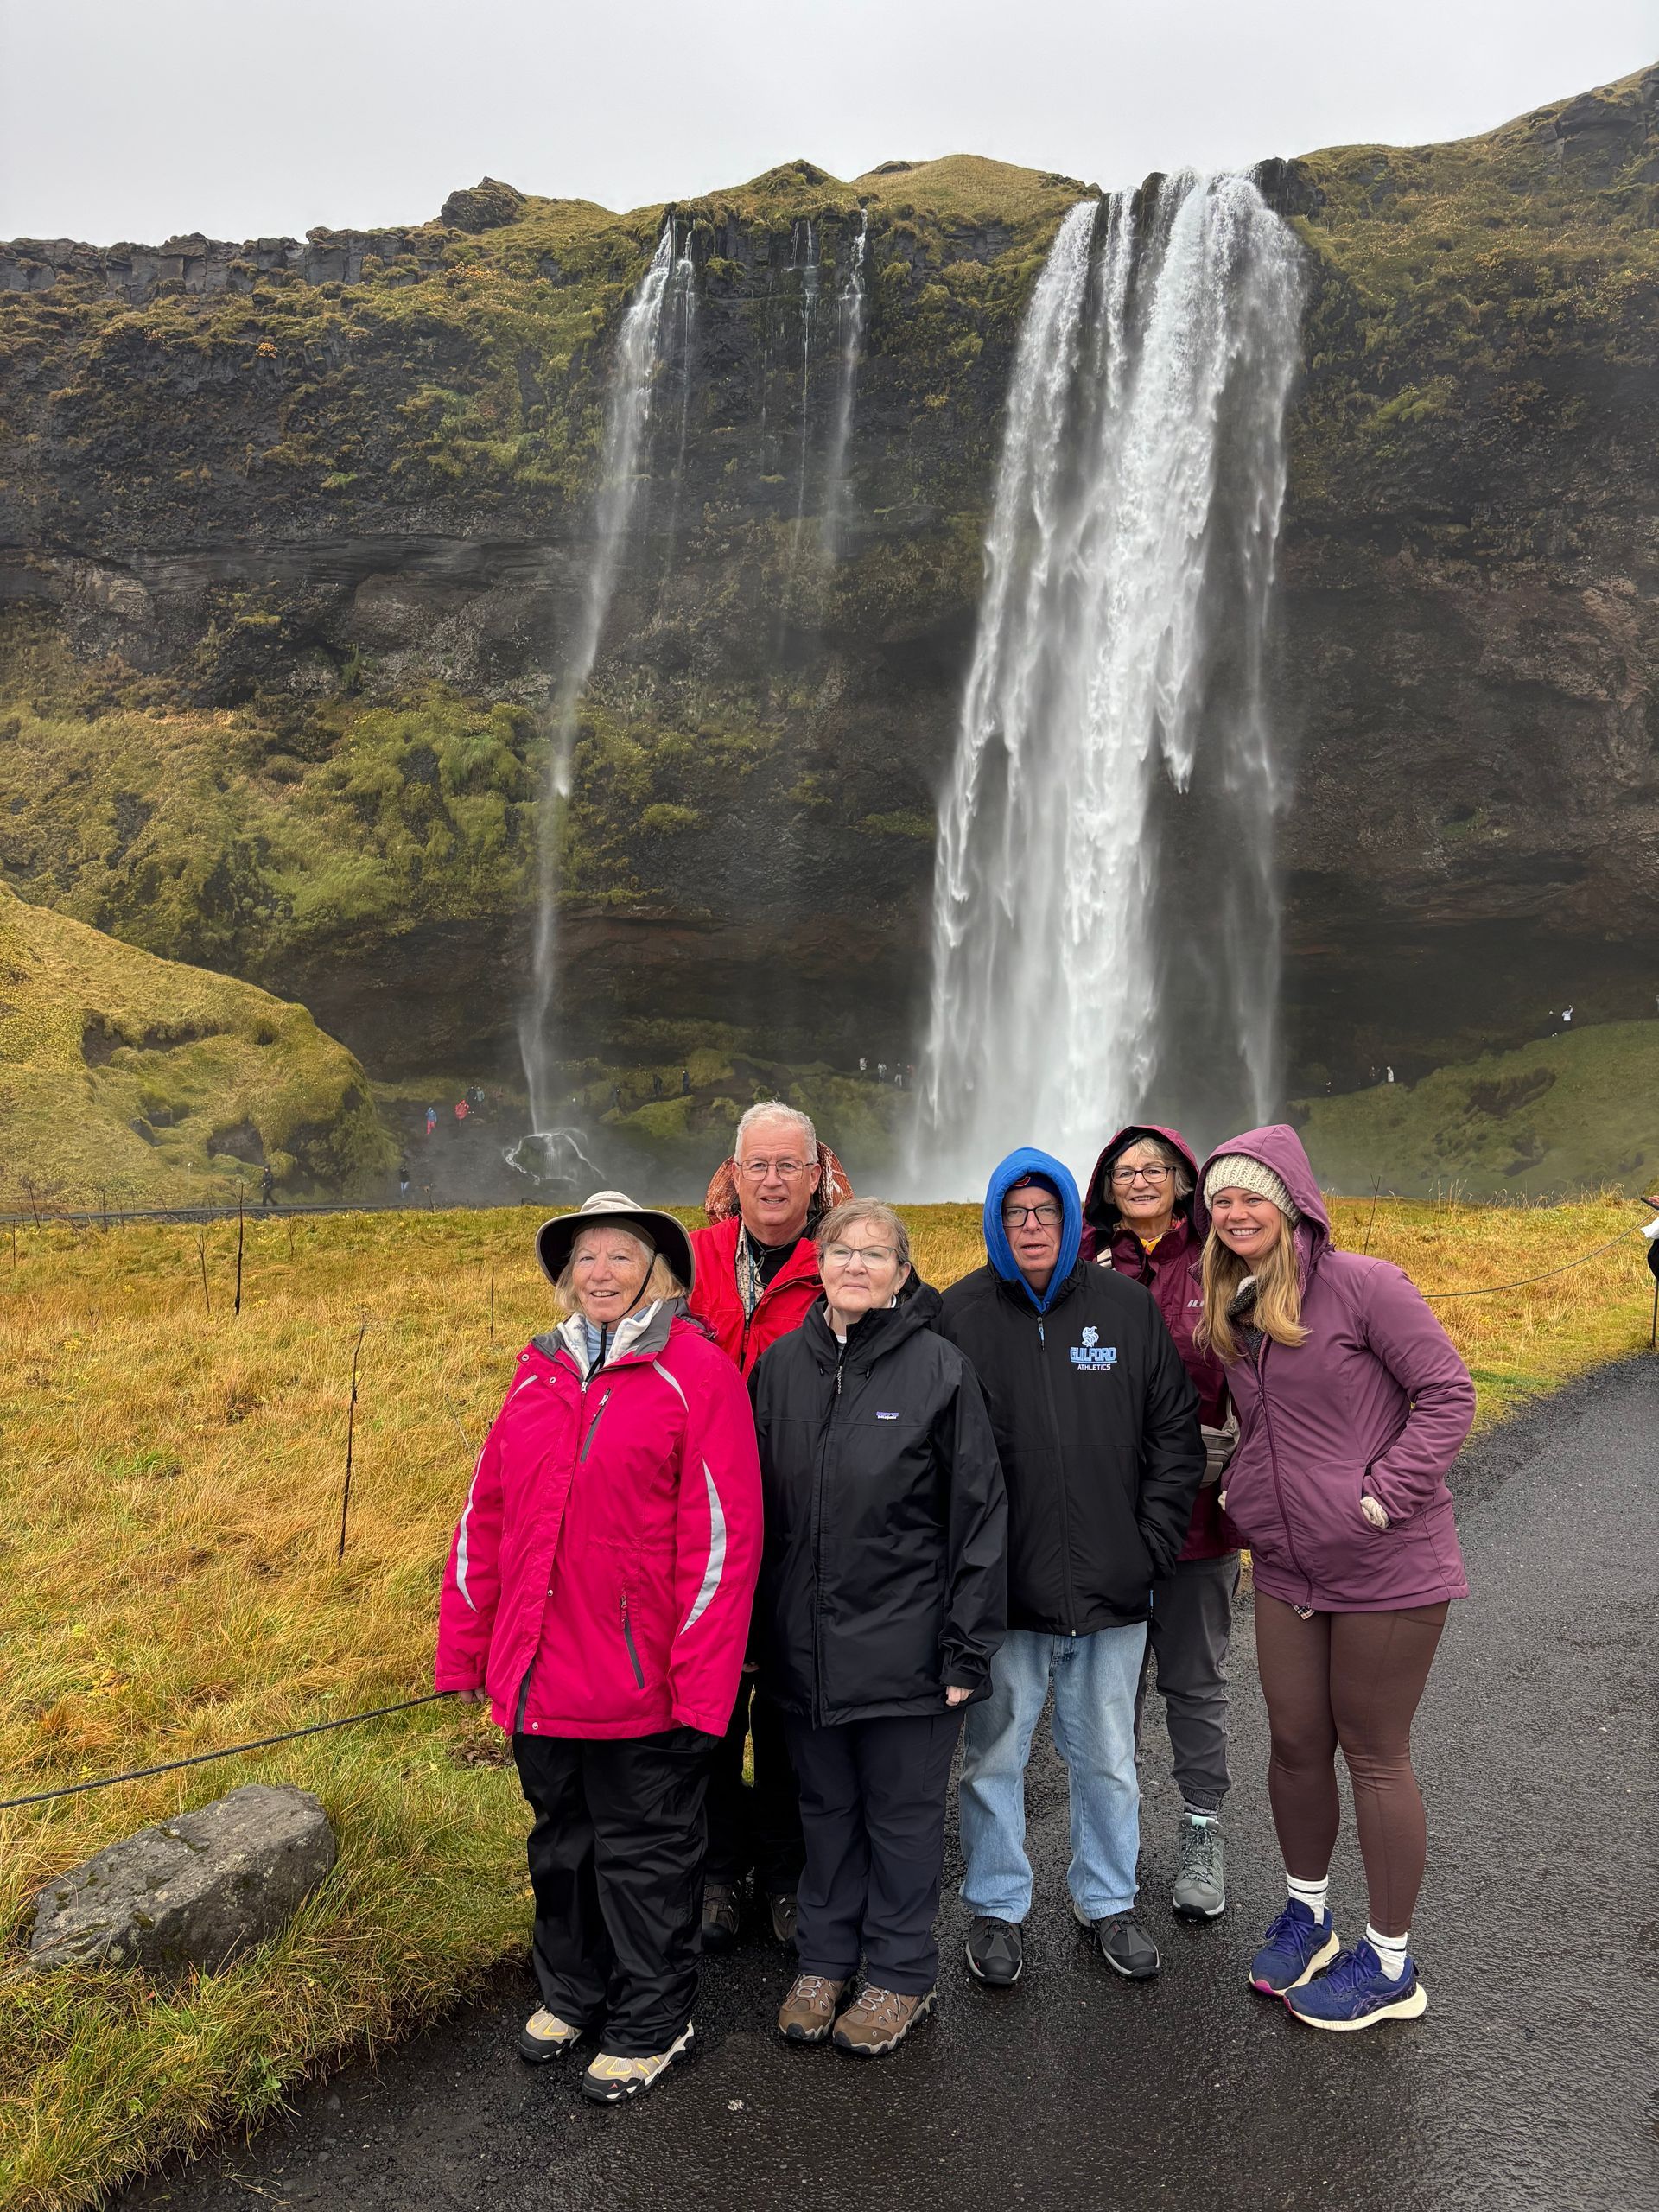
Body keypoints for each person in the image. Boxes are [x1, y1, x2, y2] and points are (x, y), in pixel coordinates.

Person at [435, 1192, 761, 2102]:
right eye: (586, 1257)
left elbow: (722, 1541)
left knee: (646, 1856)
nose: (604, 1272)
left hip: (639, 1685)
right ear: (566, 1277)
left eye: (623, 1255)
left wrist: (702, 1692)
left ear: (655, 1271)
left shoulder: (694, 1371)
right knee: (561, 1847)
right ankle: (574, 1992)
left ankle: (655, 2020)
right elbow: (486, 1517)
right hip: (540, 1677)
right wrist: (468, 1650)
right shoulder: (535, 1372)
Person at [1194, 1126, 1475, 2031]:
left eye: (1251, 1195)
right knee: (1293, 1741)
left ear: (1294, 1201)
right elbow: (1272, 1430)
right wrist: (1233, 1475)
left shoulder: (1366, 1286)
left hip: (1386, 1562)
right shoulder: (1235, 1304)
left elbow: (1448, 1393)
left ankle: (1390, 1963)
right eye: (1221, 1200)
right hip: (1285, 1563)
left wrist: (1382, 1497)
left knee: (1375, 1753)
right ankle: (1307, 1913)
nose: (1235, 1212)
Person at [938, 1148, 1204, 1987]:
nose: (1031, 1227)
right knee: (993, 1757)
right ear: (993, 1221)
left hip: (1112, 1591)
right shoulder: (958, 1317)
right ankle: (997, 1908)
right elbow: (936, 1457)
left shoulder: (1125, 1309)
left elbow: (1174, 1436)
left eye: (1045, 1211)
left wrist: (1150, 1547)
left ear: (1069, 1219)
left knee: (1109, 1758)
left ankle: (1108, 1897)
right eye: (1015, 1213)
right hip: (1005, 1597)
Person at [752, 1200, 1007, 2056]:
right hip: (804, 1651)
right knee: (824, 1813)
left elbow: (978, 1514)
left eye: (876, 1254)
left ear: (904, 1273)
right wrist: (755, 1641)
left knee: (899, 1820)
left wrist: (965, 1647)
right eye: (841, 1251)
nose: (856, 1264)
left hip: (909, 1650)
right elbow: (756, 1516)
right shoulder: (782, 1367)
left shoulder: (940, 1369)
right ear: (817, 1265)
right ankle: (825, 1961)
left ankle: (900, 1974)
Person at [688, 1102, 854, 1953]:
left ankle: (789, 1876)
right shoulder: (692, 1258)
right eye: (761, 1164)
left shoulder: (844, 1262)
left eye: (792, 1165)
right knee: (713, 1710)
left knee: (793, 1712)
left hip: (803, 1531)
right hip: (707, 1531)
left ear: (818, 1172)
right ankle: (720, 1872)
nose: (776, 1180)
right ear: (736, 1170)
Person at [1081, 1125, 1239, 1922]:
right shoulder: (1083, 1265)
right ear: (1106, 1185)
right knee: (1108, 1692)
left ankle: (1203, 1832)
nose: (1140, 1179)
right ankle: (1112, 1840)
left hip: (1201, 1520)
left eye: (1157, 1168)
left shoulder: (1221, 1262)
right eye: (1125, 1169)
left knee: (1195, 1683)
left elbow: (1265, 1372)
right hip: (1106, 1522)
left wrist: (1235, 1452)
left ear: (1185, 1181)